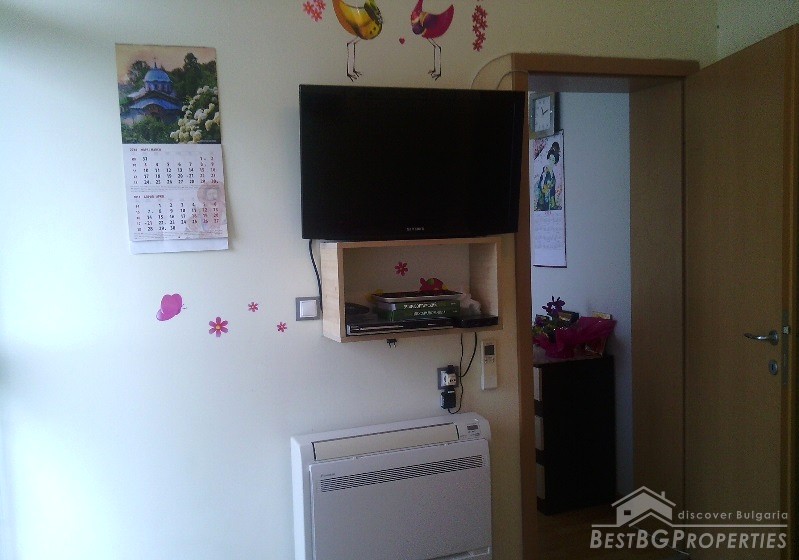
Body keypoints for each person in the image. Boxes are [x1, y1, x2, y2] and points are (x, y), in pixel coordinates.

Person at [535, 141, 561, 211]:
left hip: (549, 195)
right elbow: (542, 183)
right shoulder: (546, 169)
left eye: (553, 160)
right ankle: (541, 205)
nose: (551, 161)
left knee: (552, 188)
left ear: (555, 161)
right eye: (550, 159)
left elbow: (552, 189)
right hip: (543, 195)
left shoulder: (553, 172)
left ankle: (552, 204)